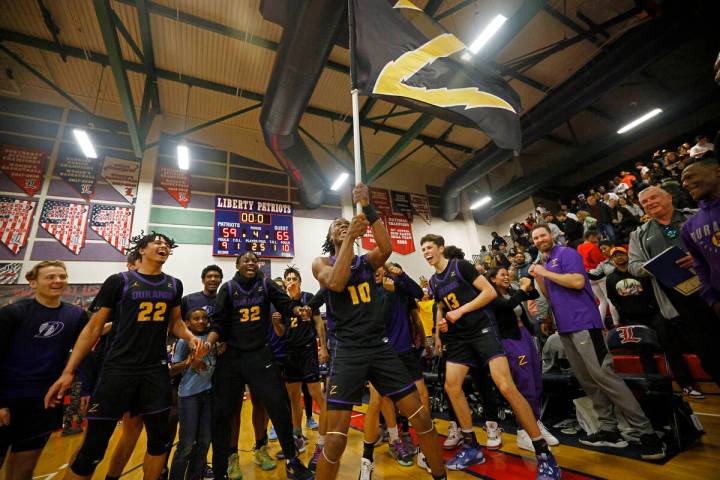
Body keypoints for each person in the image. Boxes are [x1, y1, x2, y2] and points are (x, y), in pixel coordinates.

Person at [45, 232, 207, 479]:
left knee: (159, 442)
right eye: (157, 242)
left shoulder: (174, 284)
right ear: (141, 250)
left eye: (167, 244)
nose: (163, 246)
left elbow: (175, 323)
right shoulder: (118, 281)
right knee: (94, 447)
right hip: (118, 370)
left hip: (155, 371)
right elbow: (93, 328)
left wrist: (190, 337)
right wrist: (69, 371)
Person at [313, 183, 446, 480]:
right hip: (347, 351)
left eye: (347, 225)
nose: (344, 226)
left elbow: (386, 248)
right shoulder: (322, 262)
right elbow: (335, 283)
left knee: (422, 416)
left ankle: (440, 475)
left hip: (380, 346)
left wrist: (369, 207)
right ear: (331, 237)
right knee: (335, 439)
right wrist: (349, 237)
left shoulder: (367, 261)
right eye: (338, 226)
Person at [421, 234, 559, 479]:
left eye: (430, 247)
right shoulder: (433, 281)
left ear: (441, 248)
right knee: (451, 386)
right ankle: (472, 446)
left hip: (482, 330)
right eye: (423, 249)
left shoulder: (460, 266)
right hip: (459, 337)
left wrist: (460, 311)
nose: (426, 252)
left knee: (506, 386)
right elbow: (444, 307)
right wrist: (442, 324)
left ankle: (543, 452)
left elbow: (488, 293)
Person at [529, 224, 666, 461]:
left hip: (584, 323)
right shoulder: (547, 262)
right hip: (565, 327)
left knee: (605, 378)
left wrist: (544, 272)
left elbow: (577, 283)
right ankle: (608, 429)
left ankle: (647, 433)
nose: (539, 239)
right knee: (587, 381)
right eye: (535, 238)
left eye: (542, 235)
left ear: (551, 236)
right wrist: (539, 277)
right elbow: (551, 294)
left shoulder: (567, 253)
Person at [205, 252, 314, 480]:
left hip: (259, 354)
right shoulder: (228, 288)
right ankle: (227, 460)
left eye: (255, 261)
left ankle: (289, 459)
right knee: (225, 412)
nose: (252, 263)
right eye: (246, 260)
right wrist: (209, 344)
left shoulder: (265, 284)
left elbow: (285, 305)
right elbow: (219, 322)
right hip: (232, 357)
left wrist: (297, 309)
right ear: (237, 265)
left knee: (277, 405)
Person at [0, 262, 87, 480]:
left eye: (62, 276)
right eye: (50, 277)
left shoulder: (76, 315)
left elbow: (84, 355)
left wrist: (84, 387)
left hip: (44, 403)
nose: (57, 281)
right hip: (7, 401)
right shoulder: (12, 313)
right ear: (33, 282)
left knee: (23, 471)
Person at [629, 186, 720, 386]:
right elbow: (634, 266)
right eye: (645, 202)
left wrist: (697, 257)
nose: (650, 203)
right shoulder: (639, 234)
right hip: (679, 301)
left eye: (654, 198)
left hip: (713, 287)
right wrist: (655, 267)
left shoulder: (696, 216)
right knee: (708, 354)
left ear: (668, 197)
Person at [605, 247, 703, 399]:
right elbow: (613, 299)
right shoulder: (611, 279)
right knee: (645, 355)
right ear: (611, 260)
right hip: (633, 320)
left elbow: (655, 291)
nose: (619, 258)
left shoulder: (641, 273)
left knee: (671, 348)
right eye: (615, 256)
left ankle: (686, 385)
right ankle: (656, 390)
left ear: (628, 255)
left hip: (655, 315)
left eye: (622, 254)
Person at [486, 267, 559, 452]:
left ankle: (535, 422)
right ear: (493, 279)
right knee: (524, 383)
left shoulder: (512, 291)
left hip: (524, 335)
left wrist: (528, 283)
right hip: (509, 340)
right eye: (501, 274)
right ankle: (523, 430)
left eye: (507, 274)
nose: (506, 277)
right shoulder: (490, 295)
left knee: (536, 381)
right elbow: (507, 305)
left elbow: (532, 293)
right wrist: (522, 288)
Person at [275, 266, 328, 469]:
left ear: (299, 280)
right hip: (290, 352)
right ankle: (297, 436)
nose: (290, 280)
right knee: (293, 397)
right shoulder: (283, 303)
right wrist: (275, 323)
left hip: (308, 351)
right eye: (287, 278)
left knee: (316, 394)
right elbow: (280, 333)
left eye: (293, 277)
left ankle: (325, 436)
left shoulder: (309, 297)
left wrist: (322, 347)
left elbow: (319, 324)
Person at [169, 308, 217, 480]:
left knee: (205, 441)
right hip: (189, 397)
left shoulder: (211, 340)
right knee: (187, 444)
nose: (201, 321)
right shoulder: (184, 342)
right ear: (187, 323)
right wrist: (189, 362)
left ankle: (195, 476)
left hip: (208, 394)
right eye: (196, 319)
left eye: (204, 318)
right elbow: (172, 370)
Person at [680, 157, 720, 317]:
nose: (684, 184)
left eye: (690, 177)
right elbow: (701, 266)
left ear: (717, 171)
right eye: (682, 180)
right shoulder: (689, 226)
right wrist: (713, 301)